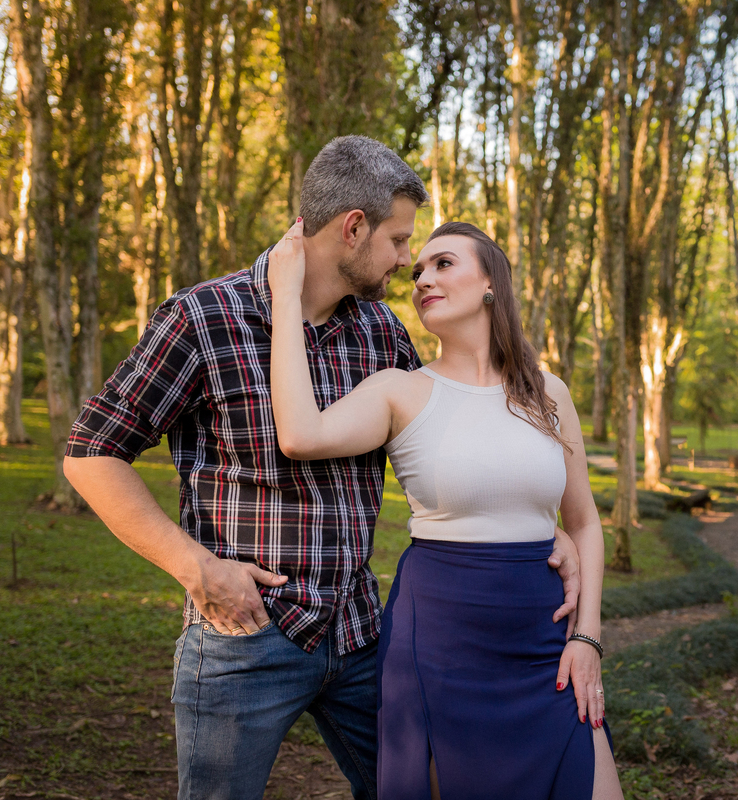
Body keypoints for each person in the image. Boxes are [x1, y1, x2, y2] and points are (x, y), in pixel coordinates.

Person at [62, 135, 581, 800]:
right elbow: (91, 451)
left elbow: (449, 436)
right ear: (353, 228)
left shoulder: (382, 333)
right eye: (399, 242)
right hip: (245, 636)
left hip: (365, 634)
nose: (406, 263)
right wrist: (196, 568)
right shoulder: (203, 318)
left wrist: (533, 522)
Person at [267, 219, 624, 799]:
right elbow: (301, 436)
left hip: (543, 642)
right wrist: (286, 297)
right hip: (439, 643)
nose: (423, 278)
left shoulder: (548, 392)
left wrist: (587, 640)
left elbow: (582, 522)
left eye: (443, 264)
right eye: (417, 271)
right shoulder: (400, 391)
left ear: (490, 283)